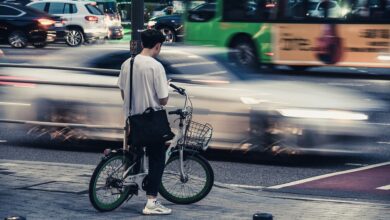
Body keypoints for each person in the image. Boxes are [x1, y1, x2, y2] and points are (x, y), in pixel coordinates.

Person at [117, 29, 171, 215]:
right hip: (151, 122)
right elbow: (163, 100)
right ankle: (151, 202)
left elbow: (123, 93)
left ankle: (130, 185)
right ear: (157, 46)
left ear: (142, 44)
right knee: (157, 158)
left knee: (135, 153)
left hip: (132, 120)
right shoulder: (156, 67)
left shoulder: (127, 63)